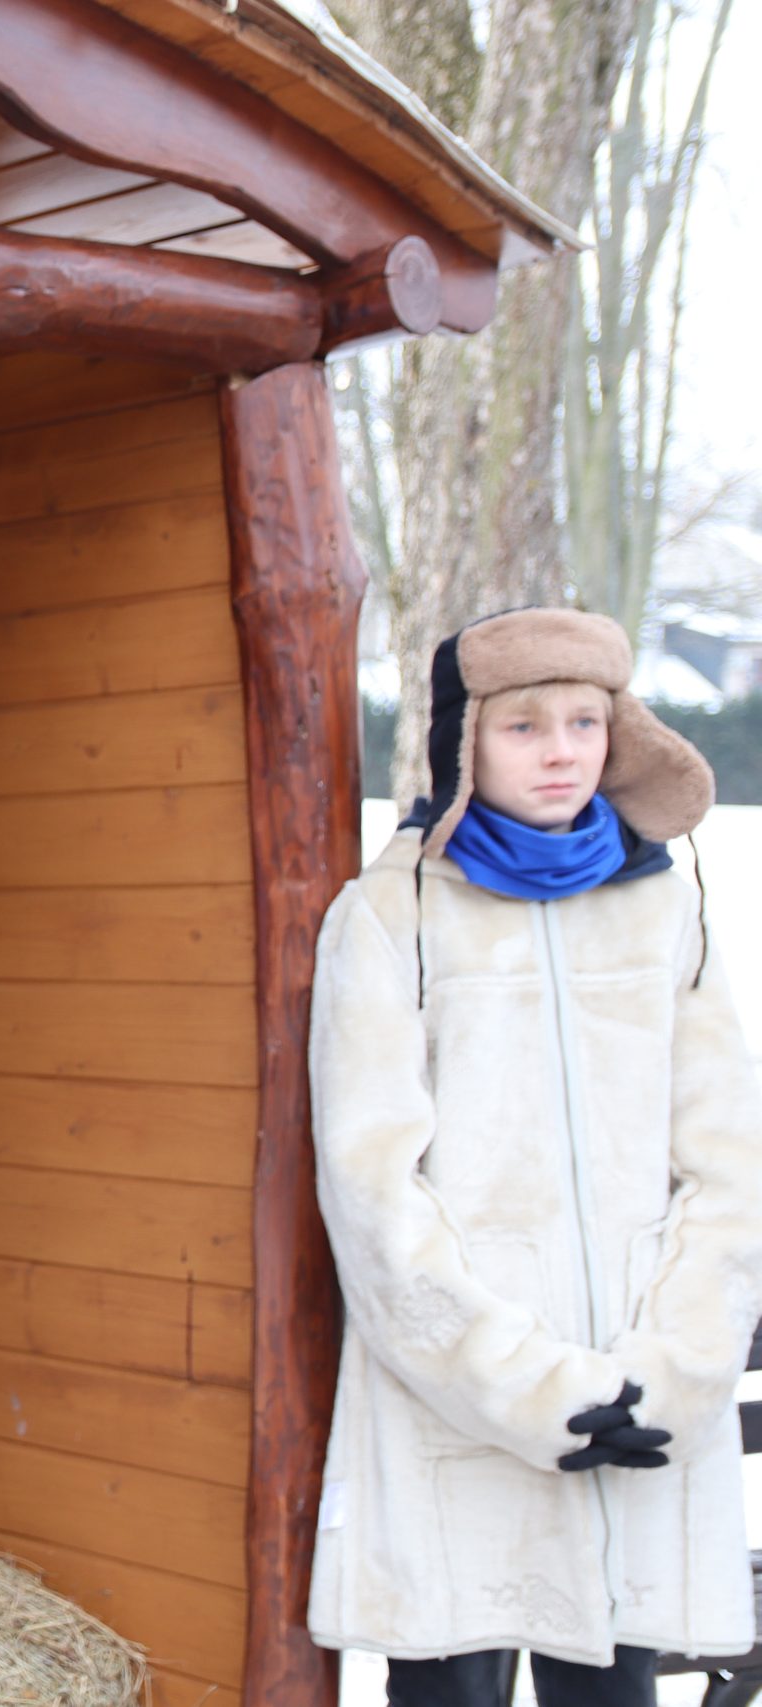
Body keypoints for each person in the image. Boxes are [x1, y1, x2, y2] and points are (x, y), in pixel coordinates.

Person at [307, 607, 762, 1706]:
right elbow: (372, 1193)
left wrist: (679, 1367)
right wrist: (522, 1389)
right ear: (465, 739)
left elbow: (728, 1162)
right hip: (458, 1405)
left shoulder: (666, 911)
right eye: (524, 726)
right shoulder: (394, 916)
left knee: (611, 1685)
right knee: (449, 1690)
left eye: (584, 723)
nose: (561, 751)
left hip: (640, 1403)